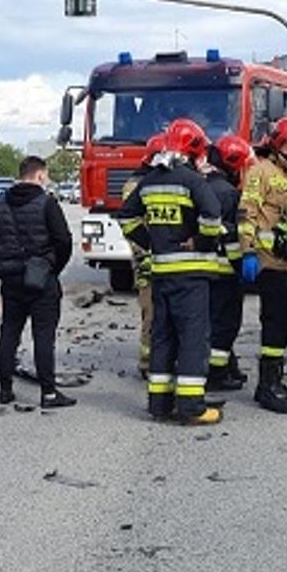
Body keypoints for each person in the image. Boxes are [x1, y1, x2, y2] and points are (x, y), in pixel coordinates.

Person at [118, 118, 224, 425]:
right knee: (192, 338)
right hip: (192, 274)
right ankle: (192, 407)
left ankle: (159, 404)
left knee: (162, 337)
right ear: (194, 149)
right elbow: (212, 215)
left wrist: (151, 242)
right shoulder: (193, 181)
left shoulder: (149, 181)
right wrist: (201, 240)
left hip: (161, 273)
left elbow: (126, 217)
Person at [0, 156, 77, 409]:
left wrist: (5, 255)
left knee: (9, 330)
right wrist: (52, 267)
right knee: (43, 336)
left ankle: (5, 388)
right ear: (40, 175)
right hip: (41, 279)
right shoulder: (47, 203)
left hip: (10, 279)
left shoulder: (0, 205)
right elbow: (63, 240)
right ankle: (49, 393)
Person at [241, 117, 287, 413]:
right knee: (273, 324)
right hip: (269, 263)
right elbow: (248, 214)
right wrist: (248, 252)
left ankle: (276, 380)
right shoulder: (260, 172)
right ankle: (265, 386)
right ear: (277, 144)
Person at [203, 134, 255, 392]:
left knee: (208, 322)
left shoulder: (201, 186)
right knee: (225, 325)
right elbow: (233, 238)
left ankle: (225, 367)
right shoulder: (229, 194)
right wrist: (241, 267)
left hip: (201, 269)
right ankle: (217, 374)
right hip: (224, 273)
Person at [124, 133, 167, 379]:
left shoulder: (151, 180)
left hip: (159, 255)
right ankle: (147, 362)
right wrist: (147, 252)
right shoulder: (137, 185)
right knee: (151, 311)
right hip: (148, 259)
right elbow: (132, 224)